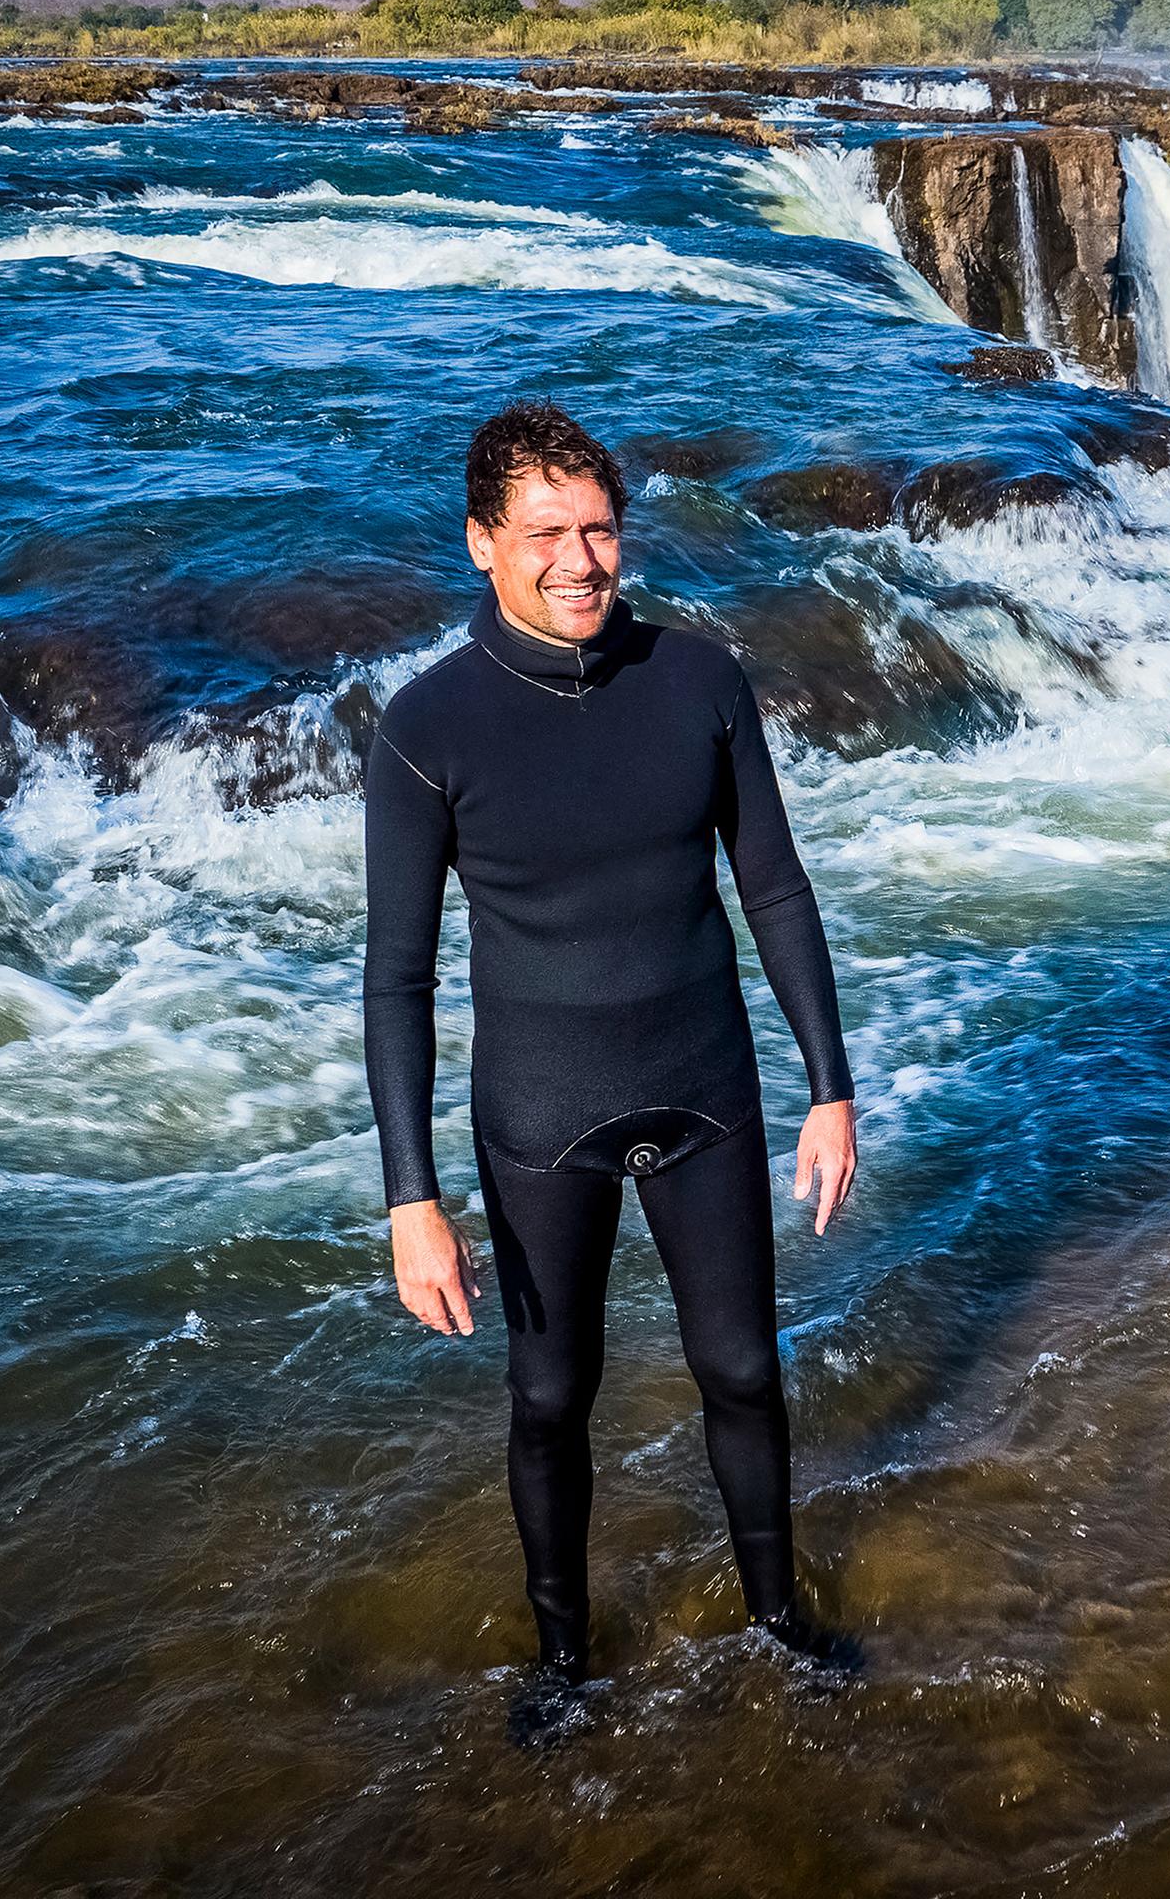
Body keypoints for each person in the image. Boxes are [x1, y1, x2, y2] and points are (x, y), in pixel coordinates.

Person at [360, 400, 863, 1731]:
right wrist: (414, 1201)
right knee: (548, 1396)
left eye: (600, 528)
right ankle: (562, 1665)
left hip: (705, 1083)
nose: (582, 560)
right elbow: (396, 979)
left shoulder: (698, 681)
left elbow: (777, 887)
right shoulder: (428, 731)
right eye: (547, 534)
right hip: (540, 1112)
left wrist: (830, 1086)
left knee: (745, 1371)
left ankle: (780, 1626)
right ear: (482, 543)